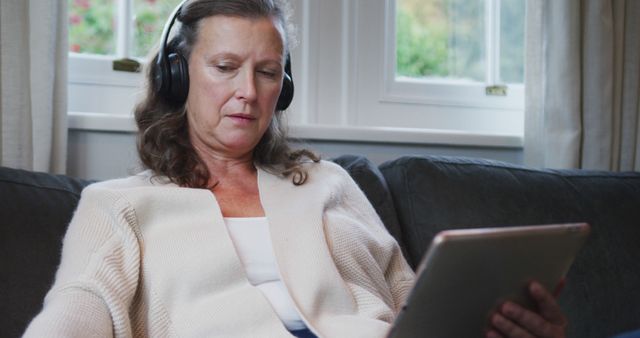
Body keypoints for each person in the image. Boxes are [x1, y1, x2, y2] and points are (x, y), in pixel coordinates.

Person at [24, 0, 567, 337]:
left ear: (282, 87)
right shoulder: (119, 205)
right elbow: (81, 304)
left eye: (266, 72)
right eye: (225, 67)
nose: (246, 92)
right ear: (176, 76)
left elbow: (414, 303)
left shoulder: (330, 184)